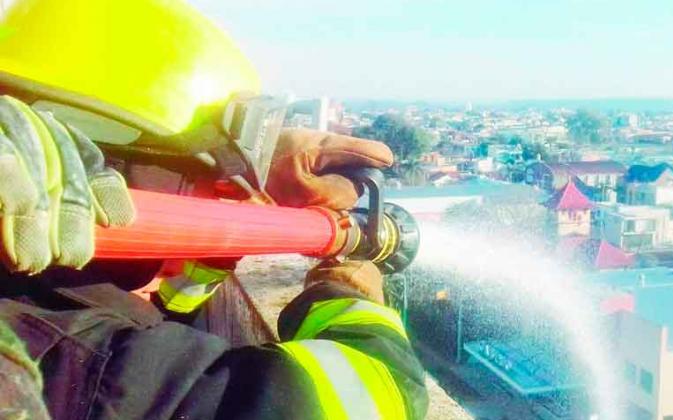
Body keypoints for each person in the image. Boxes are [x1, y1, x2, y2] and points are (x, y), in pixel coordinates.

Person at [0, 1, 428, 419]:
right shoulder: (87, 365)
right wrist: (346, 295)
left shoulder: (51, 287)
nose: (221, 202)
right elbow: (381, 396)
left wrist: (245, 168)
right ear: (112, 169)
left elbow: (171, 304)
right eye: (202, 190)